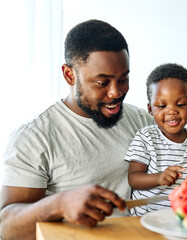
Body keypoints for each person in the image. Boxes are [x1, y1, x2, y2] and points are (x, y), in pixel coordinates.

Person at [0, 19, 153, 240]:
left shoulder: (141, 121)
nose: (116, 92)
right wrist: (58, 204)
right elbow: (5, 227)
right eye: (102, 82)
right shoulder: (35, 138)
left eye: (123, 79)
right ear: (69, 75)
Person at [124, 63, 187, 216]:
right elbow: (134, 178)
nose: (171, 111)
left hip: (184, 218)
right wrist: (158, 178)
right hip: (145, 219)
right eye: (162, 106)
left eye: (180, 104)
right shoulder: (146, 137)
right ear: (150, 109)